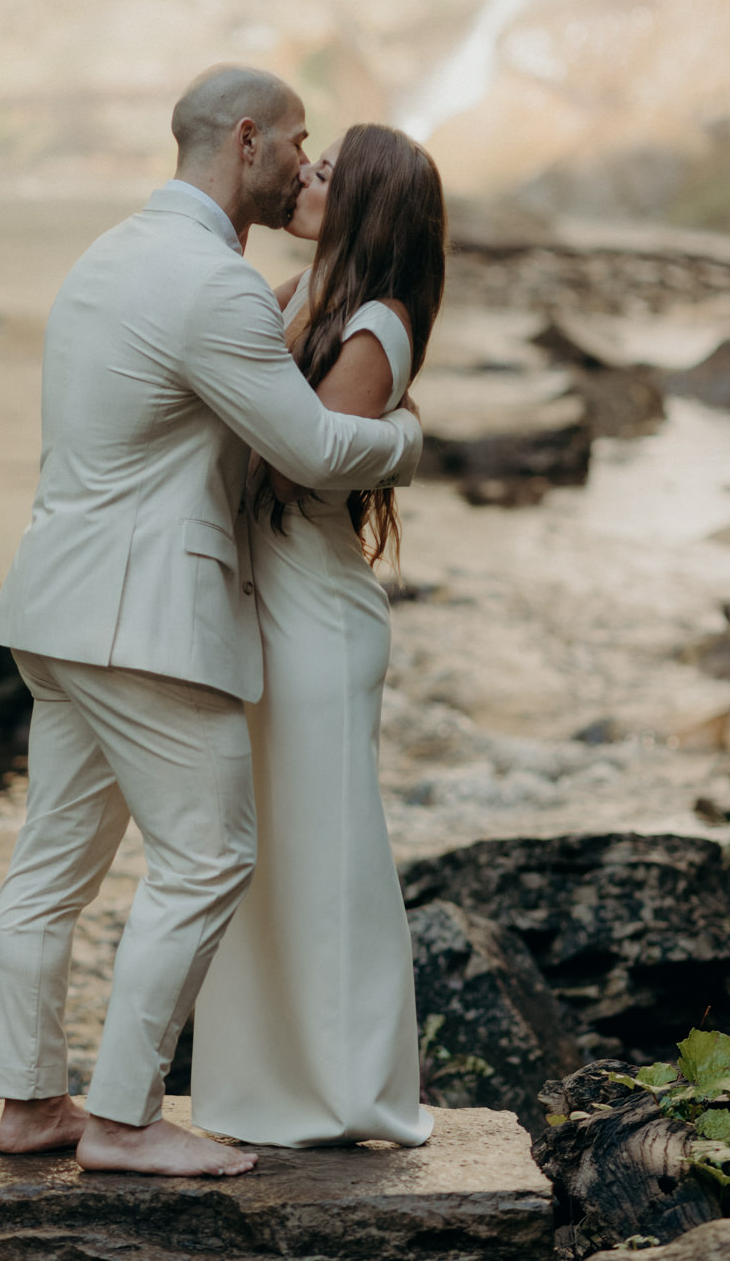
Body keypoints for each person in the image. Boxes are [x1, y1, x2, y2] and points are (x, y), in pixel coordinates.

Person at [0, 67, 426, 1177]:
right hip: (146, 620)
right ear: (245, 142)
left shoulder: (106, 256)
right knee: (209, 855)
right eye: (295, 143)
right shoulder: (214, 285)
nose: (302, 162)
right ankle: (126, 1119)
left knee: (47, 873)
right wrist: (409, 441)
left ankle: (33, 1103)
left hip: (52, 603)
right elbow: (316, 448)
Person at [192, 123, 446, 1148]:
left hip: (318, 616)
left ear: (368, 203)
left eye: (329, 170)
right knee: (264, 855)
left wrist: (398, 442)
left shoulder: (377, 324)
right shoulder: (300, 296)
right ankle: (260, 1092)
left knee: (329, 853)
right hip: (270, 607)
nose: (307, 174)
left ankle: (350, 1093)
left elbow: (299, 462)